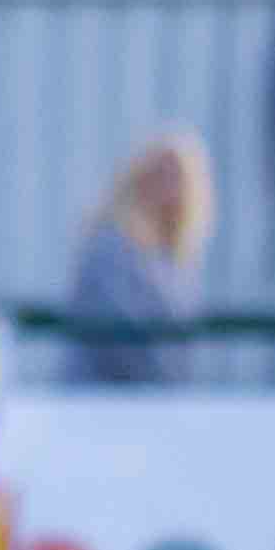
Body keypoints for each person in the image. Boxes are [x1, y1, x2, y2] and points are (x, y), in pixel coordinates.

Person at [65, 128, 214, 387]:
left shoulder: (173, 255)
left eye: (177, 178)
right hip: (105, 401)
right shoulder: (111, 243)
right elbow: (115, 334)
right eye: (160, 174)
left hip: (149, 404)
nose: (168, 187)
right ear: (139, 175)